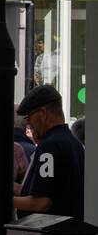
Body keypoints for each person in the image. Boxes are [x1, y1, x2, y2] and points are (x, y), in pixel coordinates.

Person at [14, 84, 85, 219]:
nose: (29, 124)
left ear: (42, 114)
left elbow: (41, 203)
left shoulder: (50, 146)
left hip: (51, 234)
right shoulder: (73, 142)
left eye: (29, 117)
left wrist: (3, 200)